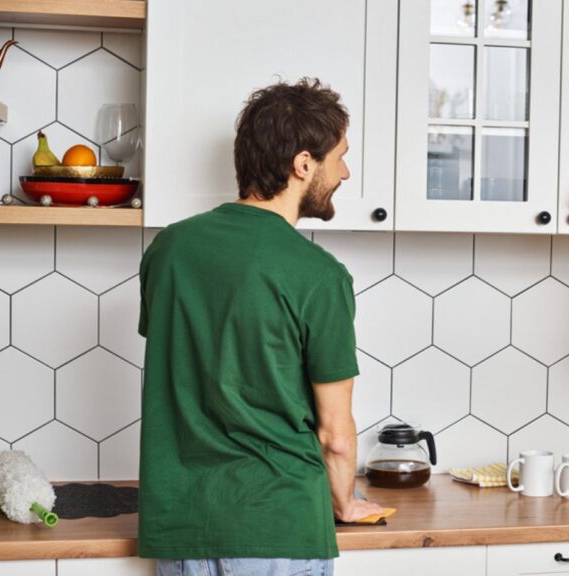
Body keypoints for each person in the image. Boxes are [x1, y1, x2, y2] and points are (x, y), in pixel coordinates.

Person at [138, 78, 384, 575]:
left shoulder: (169, 249)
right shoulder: (318, 275)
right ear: (303, 163)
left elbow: (187, 365)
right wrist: (345, 503)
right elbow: (335, 433)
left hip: (180, 529)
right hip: (277, 527)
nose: (345, 172)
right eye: (339, 156)